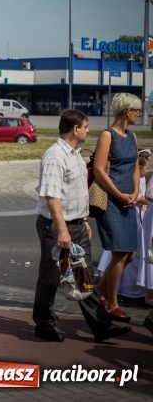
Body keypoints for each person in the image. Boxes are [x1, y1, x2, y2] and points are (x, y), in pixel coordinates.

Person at [29, 109, 130, 343]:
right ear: (75, 129)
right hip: (57, 226)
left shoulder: (74, 154)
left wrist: (83, 220)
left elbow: (76, 192)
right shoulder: (55, 156)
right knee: (52, 276)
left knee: (85, 275)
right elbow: (52, 197)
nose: (88, 130)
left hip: (76, 223)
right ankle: (44, 324)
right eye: (85, 126)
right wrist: (63, 230)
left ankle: (101, 326)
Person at [92, 93, 141, 323]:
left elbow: (135, 168)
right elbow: (100, 170)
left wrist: (134, 192)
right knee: (119, 252)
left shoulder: (132, 137)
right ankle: (112, 303)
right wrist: (119, 194)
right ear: (126, 111)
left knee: (130, 255)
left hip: (127, 200)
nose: (139, 114)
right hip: (111, 201)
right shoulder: (107, 135)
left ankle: (96, 294)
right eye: (136, 110)